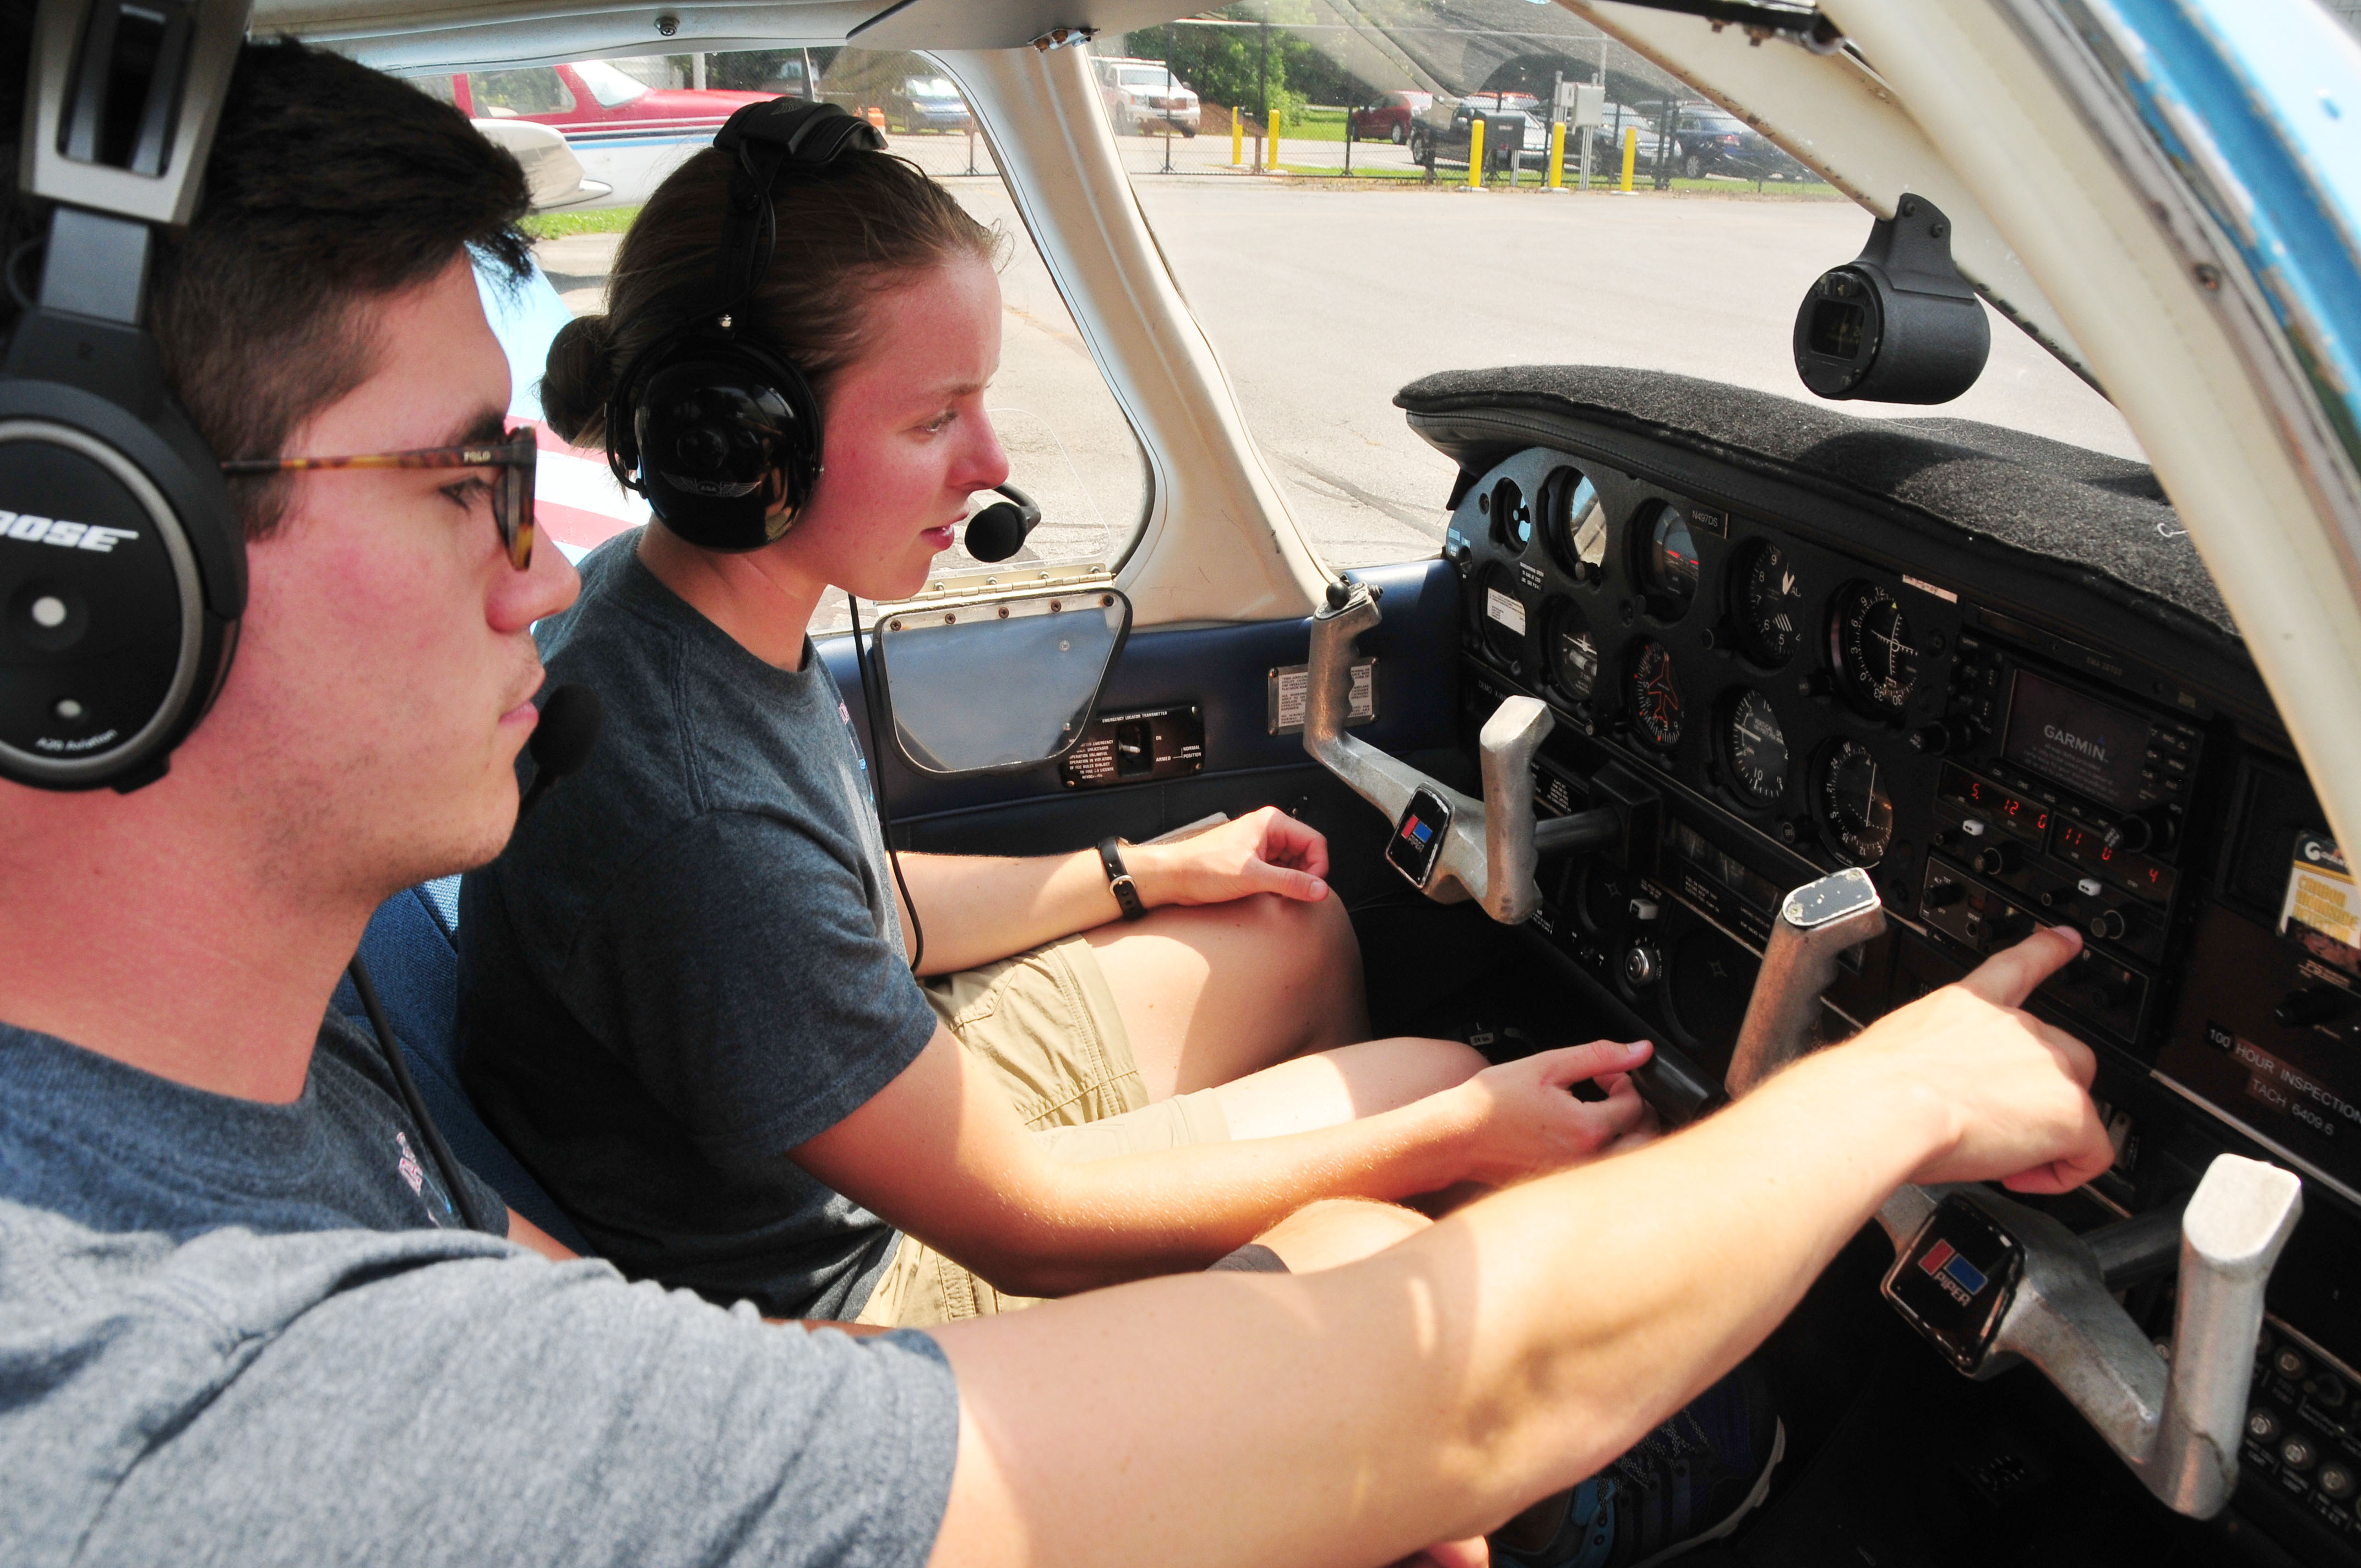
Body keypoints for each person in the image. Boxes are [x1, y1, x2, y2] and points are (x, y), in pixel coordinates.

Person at [0, 39, 2118, 1568]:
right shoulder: (204, 1399)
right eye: (461, 480)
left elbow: (734, 1018)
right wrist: (1882, 1091)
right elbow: (1397, 1372)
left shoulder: (230, 1111)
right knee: (1391, 1260)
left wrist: (1133, 858)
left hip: (750, 1228)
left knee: (1323, 993)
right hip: (820, 1289)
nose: (538, 565)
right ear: (82, 576)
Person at [455, 110, 1662, 1330]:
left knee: (1294, 931)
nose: (990, 458)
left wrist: (1145, 866)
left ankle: (1321, 1306)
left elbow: (855, 899)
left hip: (888, 1077)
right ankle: (1389, 1361)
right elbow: (1023, 1229)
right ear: (735, 442)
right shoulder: (692, 812)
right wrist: (1449, 1133)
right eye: (933, 418)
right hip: (857, 1290)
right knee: (1438, 1093)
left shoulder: (665, 611)